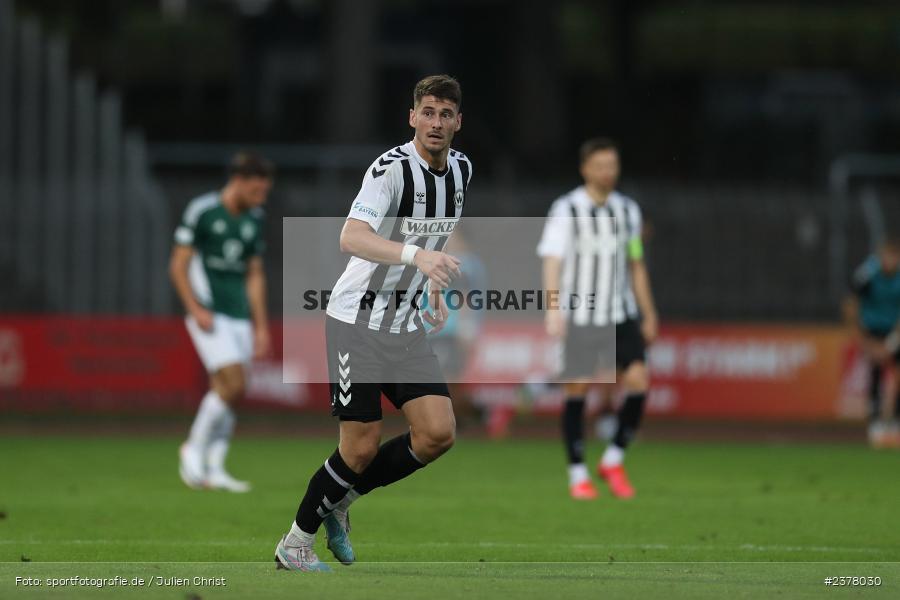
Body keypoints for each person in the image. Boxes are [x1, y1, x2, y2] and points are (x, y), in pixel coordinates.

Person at [274, 74, 472, 572]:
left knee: (437, 433)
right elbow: (352, 236)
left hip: (405, 327)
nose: (436, 122)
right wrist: (416, 257)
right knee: (359, 448)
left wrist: (429, 283)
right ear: (412, 117)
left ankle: (340, 502)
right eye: (428, 112)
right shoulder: (389, 170)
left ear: (458, 123)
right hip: (355, 323)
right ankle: (295, 543)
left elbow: (435, 235)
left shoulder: (462, 171)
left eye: (446, 114)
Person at [537, 138, 658, 500]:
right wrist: (553, 308)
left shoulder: (628, 211)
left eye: (612, 165)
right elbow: (552, 261)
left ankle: (613, 458)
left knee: (639, 381)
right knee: (577, 390)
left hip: (620, 313)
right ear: (585, 168)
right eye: (601, 165)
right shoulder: (566, 208)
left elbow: (635, 264)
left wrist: (649, 312)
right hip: (581, 314)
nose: (608, 172)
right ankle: (577, 474)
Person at [170, 152, 274, 492]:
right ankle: (193, 449)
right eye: (257, 190)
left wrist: (260, 326)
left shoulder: (254, 218)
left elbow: (255, 274)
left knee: (228, 391)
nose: (262, 197)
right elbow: (178, 264)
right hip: (209, 311)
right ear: (239, 182)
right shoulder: (203, 211)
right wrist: (194, 307)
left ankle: (215, 467)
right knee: (234, 384)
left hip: (240, 315)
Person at [845, 238, 900, 446]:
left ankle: (895, 420)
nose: (889, 261)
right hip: (871, 329)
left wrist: (892, 342)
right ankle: (875, 420)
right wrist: (865, 341)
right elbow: (850, 303)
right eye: (885, 256)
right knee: (875, 370)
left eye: (893, 257)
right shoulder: (867, 274)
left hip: (895, 329)